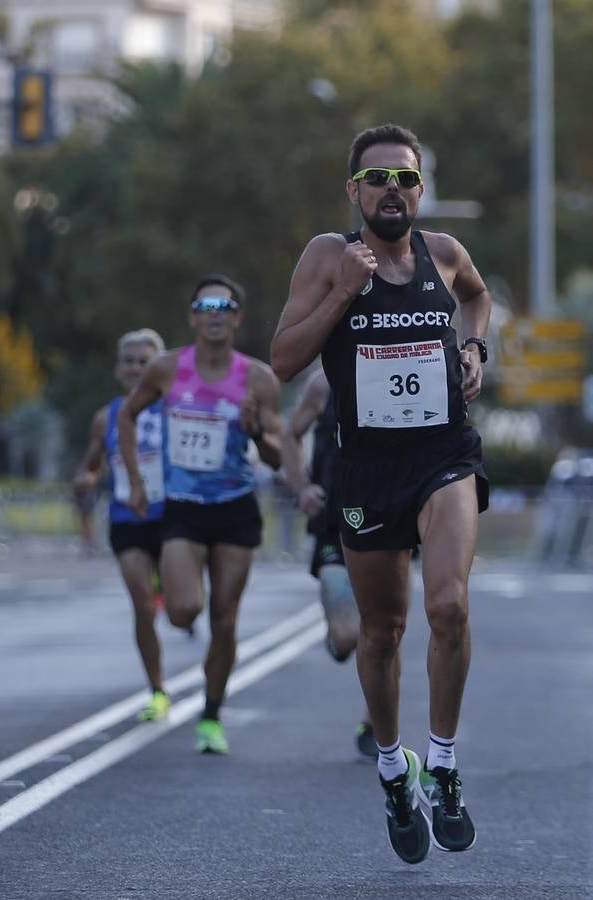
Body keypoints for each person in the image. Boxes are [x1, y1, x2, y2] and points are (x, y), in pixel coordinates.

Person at [271, 123, 491, 865]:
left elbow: (478, 297)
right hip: (364, 469)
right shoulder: (328, 257)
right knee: (381, 633)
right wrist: (342, 293)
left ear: (419, 190)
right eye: (376, 178)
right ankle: (397, 771)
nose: (390, 190)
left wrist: (473, 346)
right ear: (353, 189)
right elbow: (284, 357)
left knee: (449, 606)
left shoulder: (444, 254)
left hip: (442, 453)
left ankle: (446, 764)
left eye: (404, 179)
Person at [120, 275, 282, 754]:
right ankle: (172, 584)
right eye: (205, 305)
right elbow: (127, 416)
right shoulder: (167, 369)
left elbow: (275, 456)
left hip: (235, 509)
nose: (215, 312)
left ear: (237, 318)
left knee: (225, 620)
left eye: (225, 306)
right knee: (184, 610)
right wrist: (134, 481)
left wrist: (257, 431)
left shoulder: (257, 378)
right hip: (184, 510)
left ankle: (211, 716)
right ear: (192, 316)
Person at [72, 328, 171, 722]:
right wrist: (86, 478)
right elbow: (91, 465)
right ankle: (158, 689)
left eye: (143, 361)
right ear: (117, 369)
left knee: (185, 609)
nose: (134, 368)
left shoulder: (174, 406)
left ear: (159, 367)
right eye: (128, 361)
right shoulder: (106, 417)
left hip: (174, 517)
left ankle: (170, 584)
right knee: (142, 606)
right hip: (128, 518)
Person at [279, 364, 376, 760]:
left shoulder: (404, 363)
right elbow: (289, 435)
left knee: (386, 623)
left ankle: (374, 724)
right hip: (334, 519)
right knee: (349, 636)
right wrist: (301, 487)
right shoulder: (323, 383)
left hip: (390, 512)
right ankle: (338, 637)